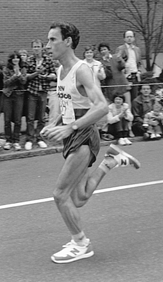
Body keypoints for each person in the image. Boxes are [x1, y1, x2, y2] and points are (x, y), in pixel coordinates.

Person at [41, 21, 140, 264]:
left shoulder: (81, 69)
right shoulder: (61, 71)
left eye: (52, 39)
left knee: (60, 195)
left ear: (67, 42)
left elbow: (102, 107)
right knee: (80, 197)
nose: (47, 45)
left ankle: (80, 243)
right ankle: (111, 161)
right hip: (73, 134)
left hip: (83, 135)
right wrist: (54, 123)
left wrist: (70, 128)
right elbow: (66, 104)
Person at [25, 39, 56, 150]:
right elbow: (26, 76)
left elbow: (54, 75)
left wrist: (46, 76)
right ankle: (30, 139)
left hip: (43, 91)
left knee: (42, 117)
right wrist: (36, 73)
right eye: (35, 47)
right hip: (32, 91)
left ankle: (39, 138)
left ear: (42, 48)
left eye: (38, 46)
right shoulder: (29, 60)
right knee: (30, 117)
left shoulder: (48, 60)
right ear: (32, 48)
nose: (36, 49)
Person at [2, 52, 27, 150]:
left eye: (17, 58)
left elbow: (24, 81)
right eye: (14, 58)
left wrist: (19, 74)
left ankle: (16, 140)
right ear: (11, 60)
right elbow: (5, 83)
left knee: (18, 119)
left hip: (19, 95)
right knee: (7, 119)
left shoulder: (23, 69)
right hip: (8, 95)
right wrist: (14, 76)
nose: (16, 60)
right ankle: (8, 140)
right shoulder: (6, 69)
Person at [116, 30, 142, 104]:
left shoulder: (137, 49)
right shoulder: (121, 48)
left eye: (131, 37)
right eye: (127, 37)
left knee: (135, 98)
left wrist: (139, 71)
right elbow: (117, 61)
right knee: (126, 98)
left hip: (135, 75)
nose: (129, 38)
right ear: (124, 38)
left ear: (134, 38)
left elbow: (139, 62)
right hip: (125, 76)